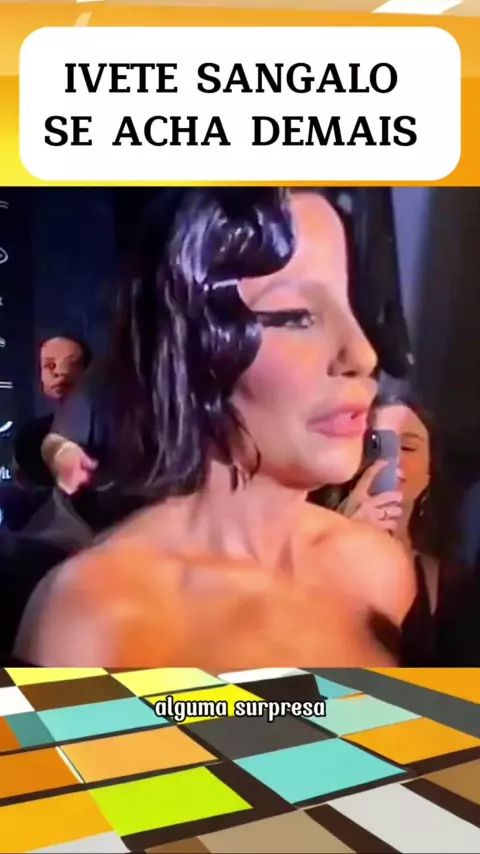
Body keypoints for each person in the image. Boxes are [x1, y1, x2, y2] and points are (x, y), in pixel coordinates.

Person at [15, 188, 416, 670]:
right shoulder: (95, 617)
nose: (363, 355)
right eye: (297, 316)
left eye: (355, 310)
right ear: (188, 348)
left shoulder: (380, 574)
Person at [316, 393, 479, 665]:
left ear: (430, 471)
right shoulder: (304, 549)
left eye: (408, 447)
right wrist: (340, 543)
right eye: (377, 445)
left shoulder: (449, 577)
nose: (393, 461)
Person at [13, 336, 92, 488]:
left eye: (72, 364)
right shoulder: (30, 439)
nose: (60, 372)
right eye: (50, 365)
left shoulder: (110, 429)